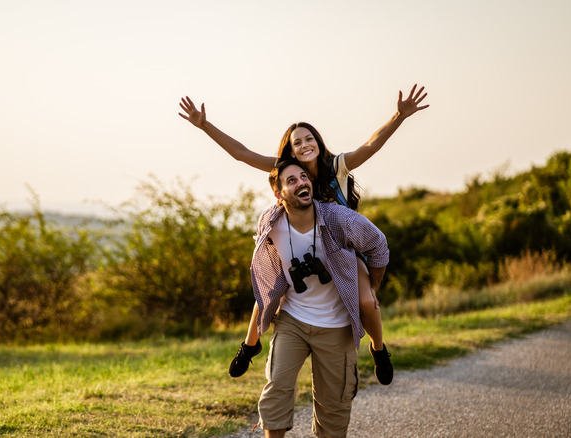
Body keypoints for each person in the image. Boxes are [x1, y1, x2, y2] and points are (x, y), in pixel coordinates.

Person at [178, 85, 428, 384]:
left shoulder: (337, 166)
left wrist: (398, 116)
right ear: (290, 149)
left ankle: (378, 349)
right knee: (267, 291)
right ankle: (250, 345)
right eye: (298, 142)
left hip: (341, 249)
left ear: (318, 142)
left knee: (367, 302)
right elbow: (241, 154)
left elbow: (371, 145)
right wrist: (204, 124)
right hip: (298, 246)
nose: (305, 144)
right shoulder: (285, 169)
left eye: (310, 138)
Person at [251, 159, 389, 437]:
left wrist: (372, 286)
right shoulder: (270, 221)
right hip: (293, 320)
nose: (302, 182)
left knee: (334, 410)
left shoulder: (339, 218)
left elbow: (378, 244)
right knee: (276, 387)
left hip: (337, 326)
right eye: (291, 180)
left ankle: (380, 349)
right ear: (278, 194)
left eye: (304, 176)